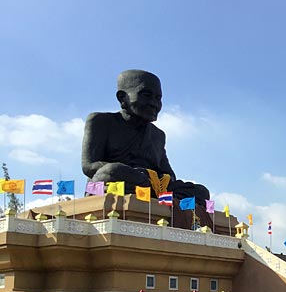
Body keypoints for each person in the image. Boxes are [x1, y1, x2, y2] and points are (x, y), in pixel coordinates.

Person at [81, 70, 210, 206]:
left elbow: (169, 175)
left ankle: (158, 199)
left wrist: (153, 178)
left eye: (158, 98)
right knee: (111, 171)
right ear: (122, 98)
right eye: (147, 95)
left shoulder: (158, 135)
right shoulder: (100, 121)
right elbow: (88, 166)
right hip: (115, 181)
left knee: (201, 192)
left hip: (150, 185)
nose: (154, 103)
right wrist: (133, 173)